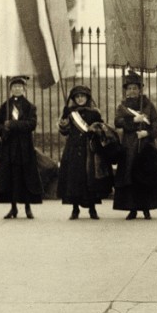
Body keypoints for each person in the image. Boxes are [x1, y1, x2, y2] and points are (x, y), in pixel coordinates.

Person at [113, 71, 157, 219]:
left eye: (135, 88)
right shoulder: (122, 106)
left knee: (145, 176)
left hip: (145, 145)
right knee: (130, 176)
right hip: (129, 145)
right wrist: (133, 122)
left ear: (140, 89)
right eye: (129, 88)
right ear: (126, 90)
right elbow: (117, 121)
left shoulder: (148, 104)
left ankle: (146, 208)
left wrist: (148, 133)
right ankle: (132, 208)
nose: (132, 91)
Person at [57, 84, 114, 219]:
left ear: (87, 98)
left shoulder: (94, 112)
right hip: (73, 149)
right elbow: (64, 132)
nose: (80, 99)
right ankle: (75, 209)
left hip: (90, 150)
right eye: (77, 97)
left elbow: (102, 129)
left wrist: (96, 129)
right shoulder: (70, 112)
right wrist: (64, 120)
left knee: (90, 180)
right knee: (74, 179)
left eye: (82, 96)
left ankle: (92, 209)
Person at [0, 75, 43, 219]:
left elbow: (31, 124)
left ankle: (28, 207)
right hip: (9, 147)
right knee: (11, 178)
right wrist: (3, 129)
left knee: (25, 177)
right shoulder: (5, 106)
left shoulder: (29, 106)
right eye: (14, 87)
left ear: (24, 89)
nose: (17, 89)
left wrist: (13, 125)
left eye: (20, 87)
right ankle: (13, 207)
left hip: (24, 148)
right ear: (10, 89)